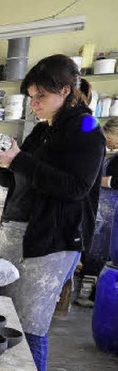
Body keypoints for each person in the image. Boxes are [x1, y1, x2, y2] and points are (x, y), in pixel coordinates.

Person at [0, 54, 105, 371]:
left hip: (51, 242)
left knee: (31, 330)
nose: (33, 103)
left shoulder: (87, 128)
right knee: (6, 323)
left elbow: (74, 187)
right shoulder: (42, 129)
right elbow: (22, 176)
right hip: (17, 233)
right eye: (31, 96)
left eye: (40, 96)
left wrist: (20, 160)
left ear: (65, 91)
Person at [76, 117, 118, 306]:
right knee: (94, 247)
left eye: (110, 137)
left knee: (107, 252)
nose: (107, 141)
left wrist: (97, 182)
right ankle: (90, 292)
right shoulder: (111, 156)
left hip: (113, 211)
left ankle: (98, 296)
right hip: (103, 209)